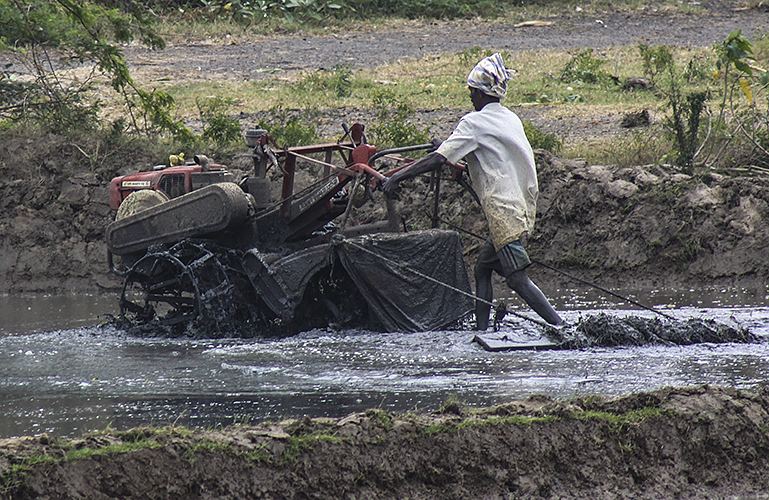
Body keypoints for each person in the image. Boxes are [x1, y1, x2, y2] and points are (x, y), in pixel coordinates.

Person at [382, 53, 564, 330]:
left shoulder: (474, 122)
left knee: (516, 279)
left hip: (503, 210)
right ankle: (481, 333)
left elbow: (439, 159)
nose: (470, 97)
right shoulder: (509, 118)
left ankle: (563, 328)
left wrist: (396, 177)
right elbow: (490, 158)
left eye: (471, 92)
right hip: (521, 204)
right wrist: (447, 147)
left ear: (480, 94)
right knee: (482, 269)